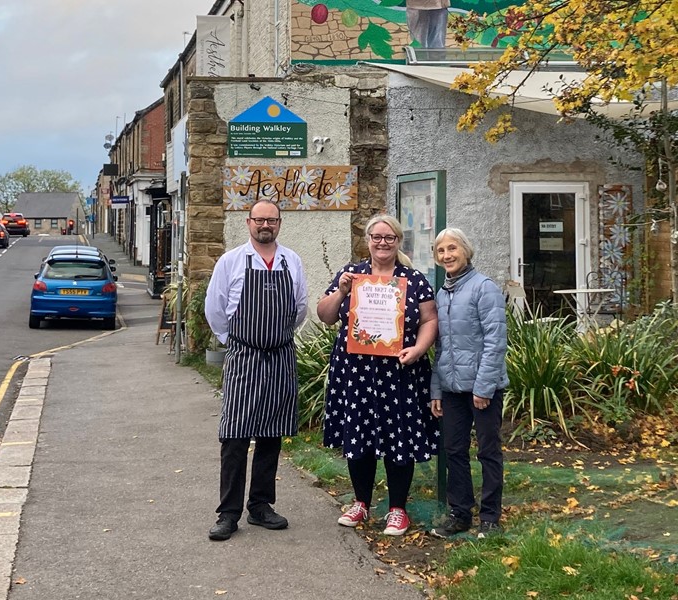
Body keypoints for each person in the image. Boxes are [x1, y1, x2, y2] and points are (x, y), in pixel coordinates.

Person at [317, 214, 439, 536]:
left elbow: (429, 320)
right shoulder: (351, 274)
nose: (382, 243)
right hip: (356, 370)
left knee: (399, 435)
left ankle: (398, 509)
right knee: (359, 434)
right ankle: (361, 503)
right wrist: (341, 292)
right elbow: (325, 315)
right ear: (368, 240)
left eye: (389, 238)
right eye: (377, 237)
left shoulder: (413, 279)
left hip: (400, 370)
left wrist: (419, 349)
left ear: (398, 241)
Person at [204, 199, 308, 541]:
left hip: (279, 357)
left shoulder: (291, 261)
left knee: (270, 436)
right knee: (234, 436)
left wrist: (274, 337)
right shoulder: (231, 261)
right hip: (244, 357)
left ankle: (261, 506)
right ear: (248, 223)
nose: (266, 225)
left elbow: (299, 310)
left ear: (280, 224)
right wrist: (238, 341)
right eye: (260, 220)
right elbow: (215, 309)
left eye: (272, 220)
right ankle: (228, 513)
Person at [429, 228, 508, 539]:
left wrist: (483, 387)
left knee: (488, 451)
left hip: (481, 389)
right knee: (454, 451)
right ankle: (459, 513)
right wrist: (437, 389)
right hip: (451, 390)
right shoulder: (442, 293)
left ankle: (490, 518)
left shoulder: (483, 288)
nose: (447, 255)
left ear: (465, 251)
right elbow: (441, 347)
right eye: (441, 251)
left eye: (452, 249)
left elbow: (495, 341)